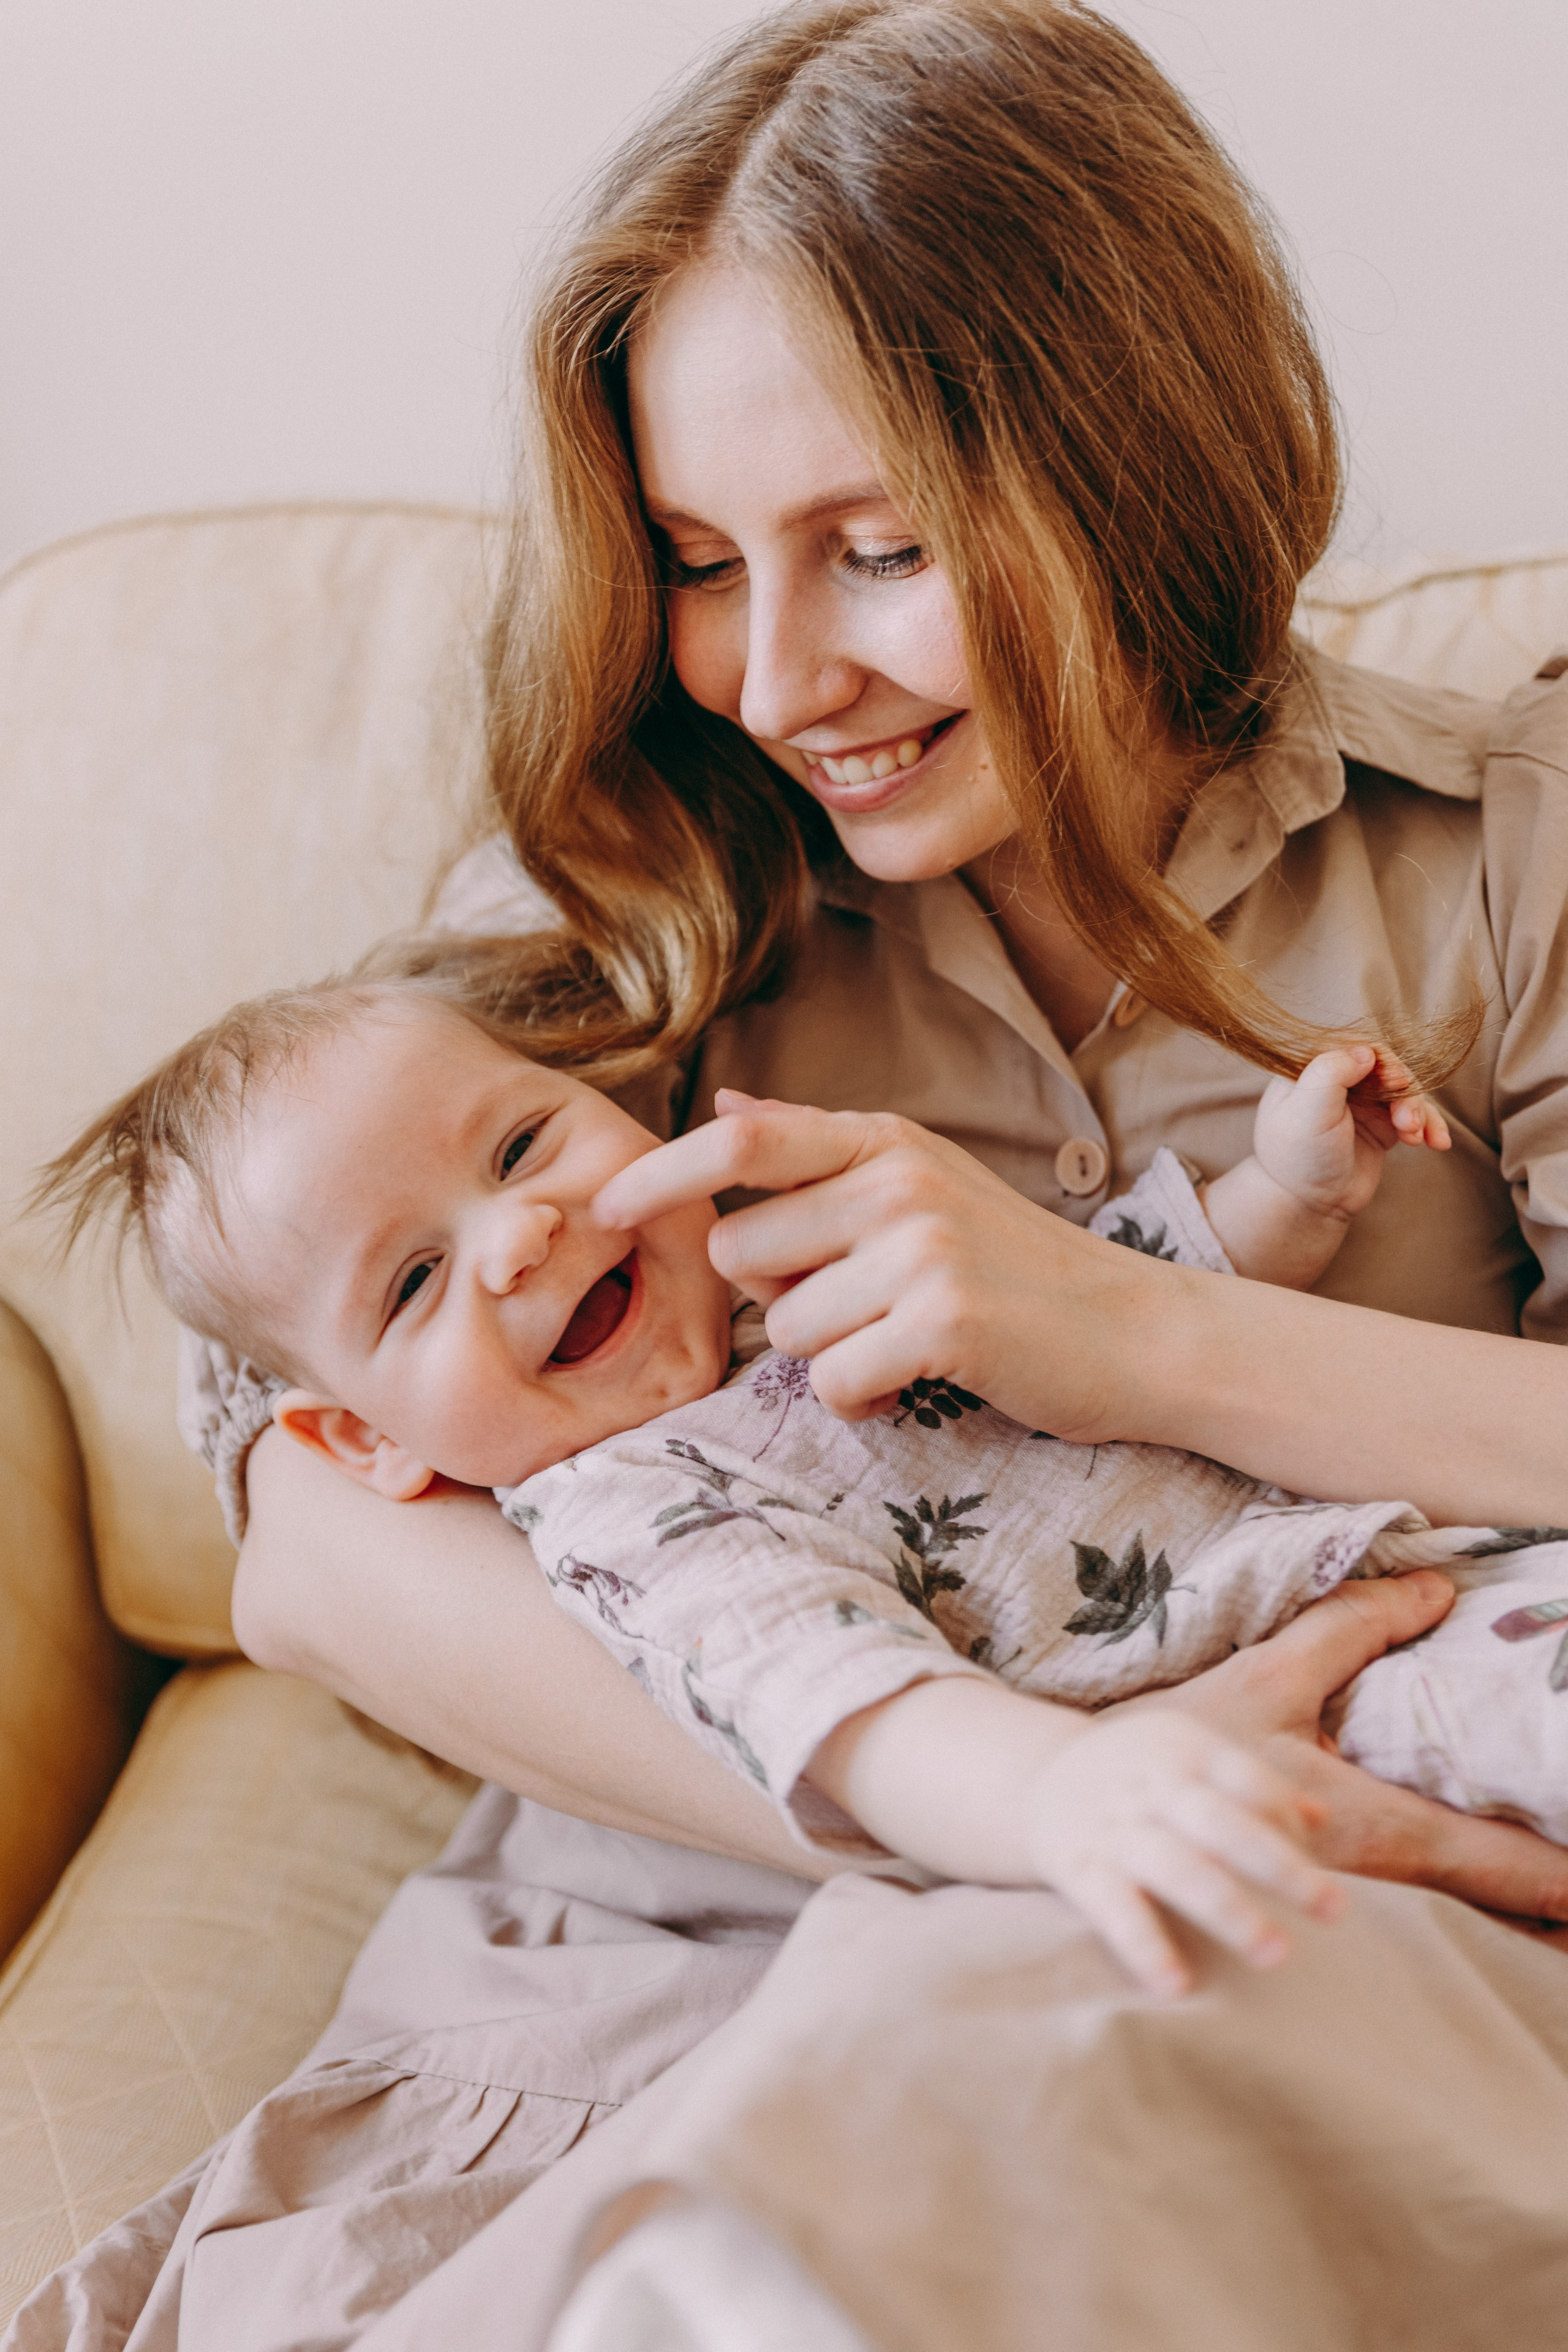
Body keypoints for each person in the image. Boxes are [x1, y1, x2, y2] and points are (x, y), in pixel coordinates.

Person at [21, 0, 1567, 2343]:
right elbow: (306, 1534)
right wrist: (1024, 1787)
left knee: (950, 2099)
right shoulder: (645, 892)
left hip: (1319, 1879)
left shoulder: (1501, 859)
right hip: (680, 1912)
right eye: (699, 558)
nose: (772, 676)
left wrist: (1139, 1326)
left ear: (1139, 463)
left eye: (878, 548)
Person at [48, 966, 1568, 2011]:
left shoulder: (804, 1266)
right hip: (1263, 1715)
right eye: (417, 1280)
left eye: (522, 1142)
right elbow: (846, 1706)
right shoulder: (631, 1524)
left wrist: (1289, 1192)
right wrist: (1058, 1792)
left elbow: (1117, 1304)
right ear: (369, 1445)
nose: (520, 1234)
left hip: (1415, 1558)